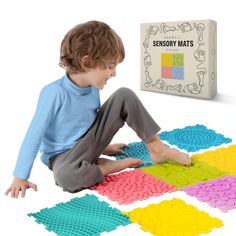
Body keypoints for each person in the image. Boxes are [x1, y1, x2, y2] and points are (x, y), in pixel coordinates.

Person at [5, 21, 191, 198]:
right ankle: (106, 168)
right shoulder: (54, 92)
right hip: (63, 157)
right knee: (65, 177)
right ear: (87, 63)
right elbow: (34, 134)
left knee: (124, 94)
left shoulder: (93, 87)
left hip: (88, 148)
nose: (114, 73)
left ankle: (157, 148)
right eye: (110, 66)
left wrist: (104, 147)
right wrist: (20, 176)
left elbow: (90, 125)